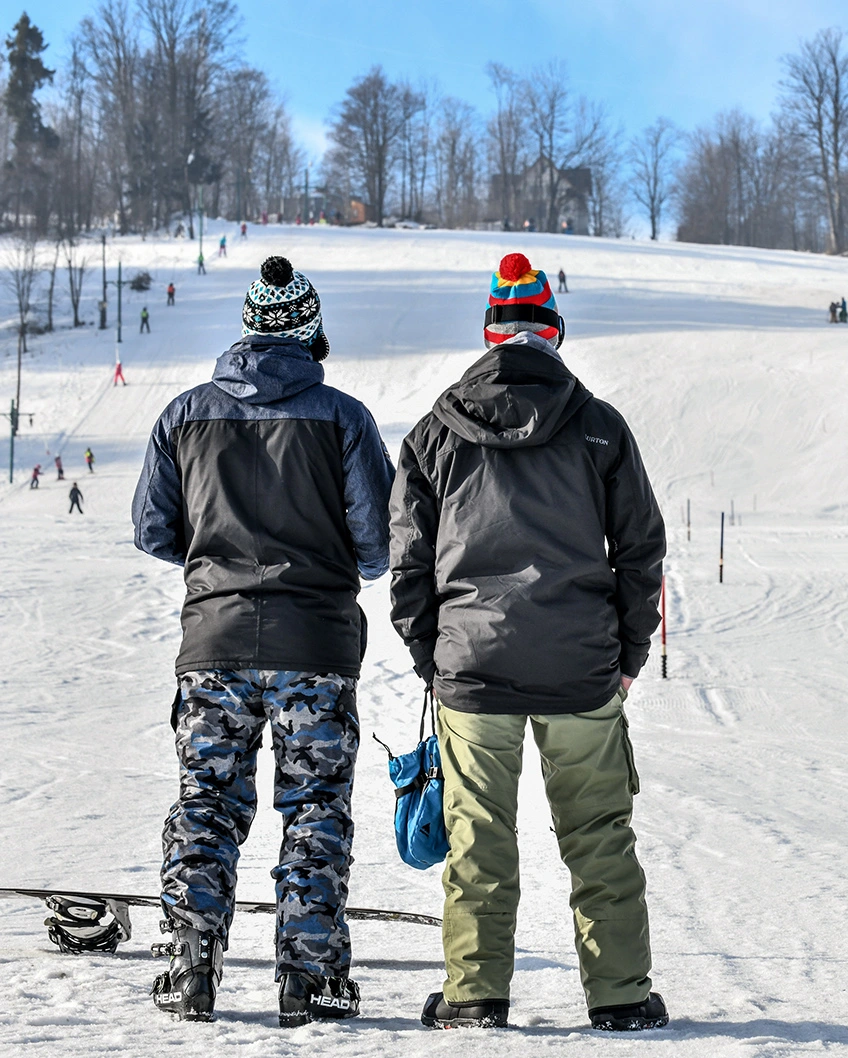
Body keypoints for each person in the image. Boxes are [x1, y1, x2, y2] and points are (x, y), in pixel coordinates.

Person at [389, 252, 669, 1033]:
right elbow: (641, 550)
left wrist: (432, 657)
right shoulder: (599, 427)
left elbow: (408, 563)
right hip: (581, 667)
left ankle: (476, 995)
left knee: (478, 836)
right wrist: (628, 657)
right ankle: (620, 997)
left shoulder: (435, 433)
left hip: (472, 669)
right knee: (599, 835)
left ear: (490, 333)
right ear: (555, 330)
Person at [133, 255, 394, 1027]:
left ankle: (189, 966)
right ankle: (309, 978)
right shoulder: (343, 419)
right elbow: (378, 545)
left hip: (213, 646)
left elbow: (153, 529)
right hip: (315, 646)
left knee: (206, 802)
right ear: (310, 333)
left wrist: (217, 563)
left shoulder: (184, 416)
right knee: (315, 807)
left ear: (247, 329)